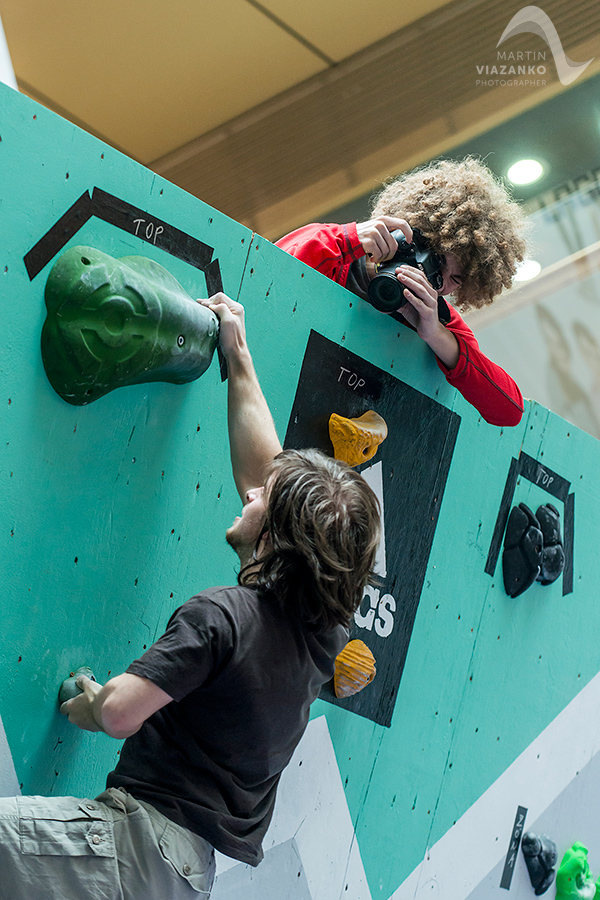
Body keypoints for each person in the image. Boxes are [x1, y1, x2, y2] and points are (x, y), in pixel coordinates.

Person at [0, 294, 381, 900]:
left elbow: (122, 714)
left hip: (131, 852)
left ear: (280, 533)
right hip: (184, 878)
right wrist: (240, 355)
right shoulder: (317, 639)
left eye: (264, 499)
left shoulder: (222, 617)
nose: (251, 493)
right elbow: (266, 475)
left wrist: (95, 703)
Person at [276, 157, 529, 427]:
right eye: (435, 261)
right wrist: (347, 240)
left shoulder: (438, 317)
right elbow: (266, 277)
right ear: (410, 232)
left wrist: (436, 335)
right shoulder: (334, 244)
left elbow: (509, 411)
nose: (437, 283)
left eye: (454, 280)